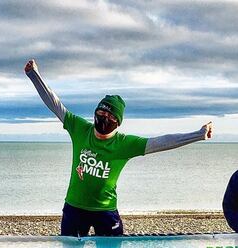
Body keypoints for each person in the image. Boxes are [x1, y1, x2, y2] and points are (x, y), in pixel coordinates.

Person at [24, 59, 213, 238]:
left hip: (105, 211)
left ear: (118, 122)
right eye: (101, 111)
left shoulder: (125, 144)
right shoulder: (80, 128)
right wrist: (34, 75)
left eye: (110, 115)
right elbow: (55, 104)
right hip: (75, 208)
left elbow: (162, 142)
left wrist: (198, 134)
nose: (104, 117)